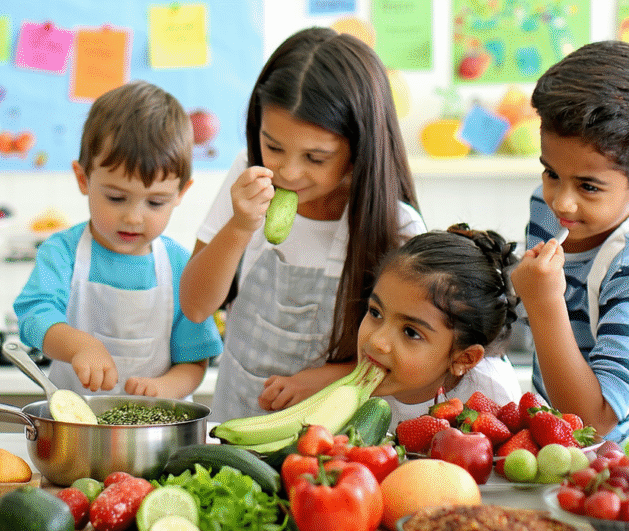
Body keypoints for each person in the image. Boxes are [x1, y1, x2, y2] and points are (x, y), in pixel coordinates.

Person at [180, 27, 425, 421]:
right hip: (235, 420)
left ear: (360, 146)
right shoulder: (249, 177)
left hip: (336, 445)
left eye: (316, 157)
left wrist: (330, 377)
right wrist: (241, 226)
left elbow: (413, 362)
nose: (289, 172)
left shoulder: (397, 227)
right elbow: (195, 305)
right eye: (273, 146)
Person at [13, 80, 223, 399]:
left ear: (181, 193)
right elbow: (34, 317)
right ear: (83, 179)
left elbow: (194, 360)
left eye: (155, 203)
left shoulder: (182, 266)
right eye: (115, 198)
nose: (134, 217)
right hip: (77, 432)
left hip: (158, 430)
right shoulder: (63, 252)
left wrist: (163, 388)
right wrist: (80, 346)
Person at [511, 41, 629, 442]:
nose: (562, 201)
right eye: (550, 173)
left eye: (589, 186)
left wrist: (544, 304)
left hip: (609, 475)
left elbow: (594, 423)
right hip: (550, 444)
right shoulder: (547, 210)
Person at [362, 226, 523, 430]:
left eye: (411, 332)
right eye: (376, 313)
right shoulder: (357, 385)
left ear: (463, 359)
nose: (377, 341)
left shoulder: (491, 399)